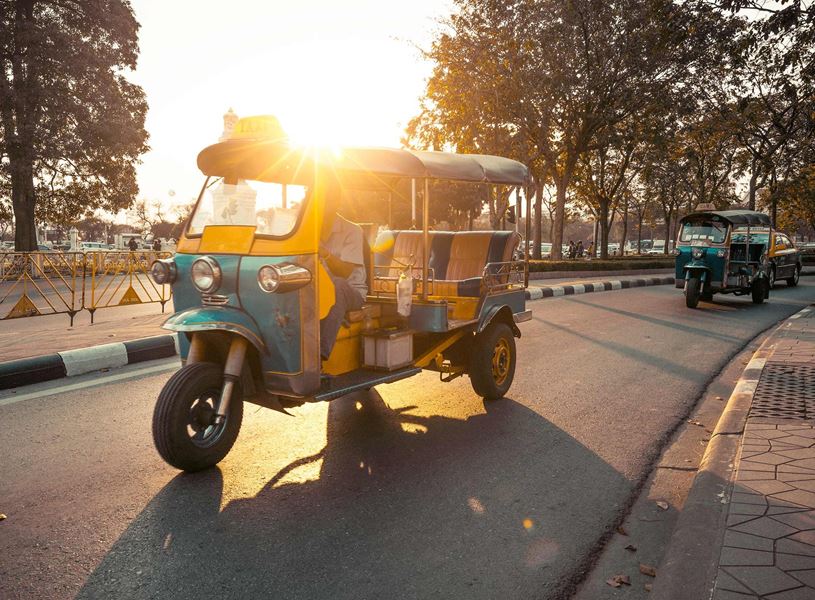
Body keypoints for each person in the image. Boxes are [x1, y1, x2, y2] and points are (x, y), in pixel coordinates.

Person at [319, 187, 367, 360]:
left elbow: (345, 272)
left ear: (335, 203)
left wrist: (324, 253)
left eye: (323, 200)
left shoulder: (352, 230)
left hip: (352, 291)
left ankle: (319, 355)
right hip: (318, 291)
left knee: (337, 286)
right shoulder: (308, 229)